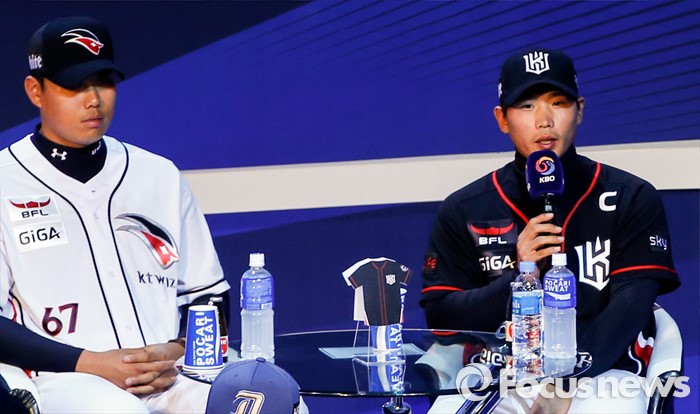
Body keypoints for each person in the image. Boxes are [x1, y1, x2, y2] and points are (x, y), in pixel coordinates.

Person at [420, 47, 680, 413]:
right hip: (499, 376)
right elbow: (442, 317)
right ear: (502, 119)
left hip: (605, 375)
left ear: (580, 110)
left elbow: (631, 305)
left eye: (558, 103)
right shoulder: (466, 208)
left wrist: (567, 384)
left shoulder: (630, 196)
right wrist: (518, 276)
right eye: (526, 106)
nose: (544, 120)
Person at [0, 16, 231, 413]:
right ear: (35, 90)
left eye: (103, 82)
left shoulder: (157, 175)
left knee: (270, 401)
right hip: (62, 380)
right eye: (74, 85)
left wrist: (177, 349)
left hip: (170, 376)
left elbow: (209, 296)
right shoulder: (6, 179)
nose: (93, 99)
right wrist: (91, 363)